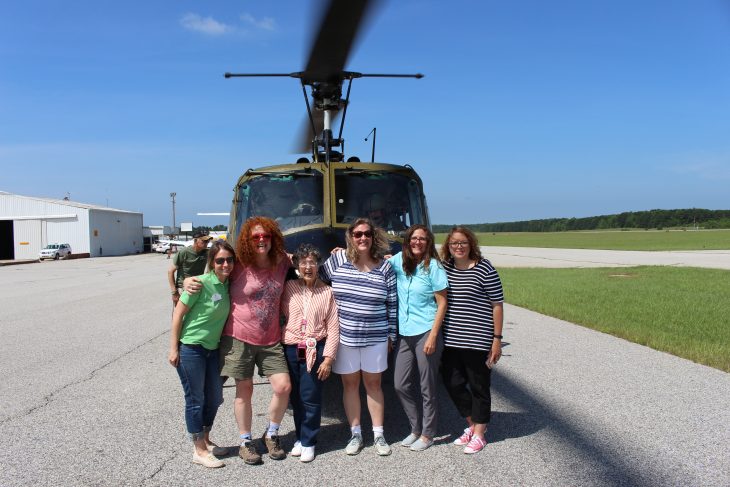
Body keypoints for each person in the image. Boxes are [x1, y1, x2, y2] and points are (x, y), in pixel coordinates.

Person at [184, 217, 292, 465]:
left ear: (272, 238)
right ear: (247, 240)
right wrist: (190, 281)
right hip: (239, 338)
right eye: (256, 237)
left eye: (266, 236)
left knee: (283, 386)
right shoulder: (239, 264)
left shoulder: (282, 261)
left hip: (270, 339)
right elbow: (213, 270)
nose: (261, 240)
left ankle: (271, 434)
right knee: (245, 390)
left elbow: (307, 260)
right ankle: (246, 441)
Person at [319, 218, 397, 456]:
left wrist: (391, 335)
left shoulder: (385, 267)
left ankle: (379, 434)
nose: (362, 238)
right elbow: (313, 278)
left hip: (376, 337)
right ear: (350, 237)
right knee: (350, 385)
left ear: (373, 237)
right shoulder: (338, 260)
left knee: (374, 385)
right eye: (357, 234)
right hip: (344, 338)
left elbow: (392, 304)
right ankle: (355, 434)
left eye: (367, 234)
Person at [168, 240, 235, 468]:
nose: (225, 264)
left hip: (212, 350)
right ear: (212, 262)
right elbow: (178, 314)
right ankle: (198, 449)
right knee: (195, 400)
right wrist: (173, 347)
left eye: (229, 260)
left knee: (215, 398)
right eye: (219, 261)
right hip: (191, 349)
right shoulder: (199, 284)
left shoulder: (228, 284)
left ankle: (206, 439)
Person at [439, 226, 504, 454]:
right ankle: (472, 425)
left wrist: (497, 339)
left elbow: (497, 305)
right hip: (451, 340)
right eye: (454, 243)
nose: (458, 246)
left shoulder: (484, 268)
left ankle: (479, 434)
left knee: (479, 387)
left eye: (463, 243)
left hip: (479, 340)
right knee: (452, 382)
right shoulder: (445, 268)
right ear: (448, 246)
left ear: (471, 245)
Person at [389, 225, 448, 452]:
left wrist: (433, 335)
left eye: (422, 239)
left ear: (428, 242)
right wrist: (341, 253)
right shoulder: (398, 261)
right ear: (407, 241)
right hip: (405, 333)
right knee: (400, 384)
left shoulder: (433, 267)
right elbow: (375, 260)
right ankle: (415, 427)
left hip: (426, 331)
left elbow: (442, 302)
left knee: (427, 386)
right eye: (414, 238)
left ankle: (428, 433)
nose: (417, 242)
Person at [280, 244, 339, 463]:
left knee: (310, 396)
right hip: (290, 347)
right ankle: (300, 436)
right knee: (294, 397)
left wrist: (329, 358)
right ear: (296, 265)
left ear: (318, 265)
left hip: (316, 347)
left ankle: (309, 441)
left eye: (312, 262)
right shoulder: (288, 287)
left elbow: (333, 327)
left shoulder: (328, 292)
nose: (307, 267)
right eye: (303, 262)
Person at [168, 231, 213, 310]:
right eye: (204, 241)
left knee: (194, 313)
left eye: (208, 241)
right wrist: (174, 292)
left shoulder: (206, 253)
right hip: (184, 288)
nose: (207, 243)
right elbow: (170, 271)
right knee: (181, 314)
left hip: (197, 286)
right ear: (195, 240)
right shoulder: (184, 252)